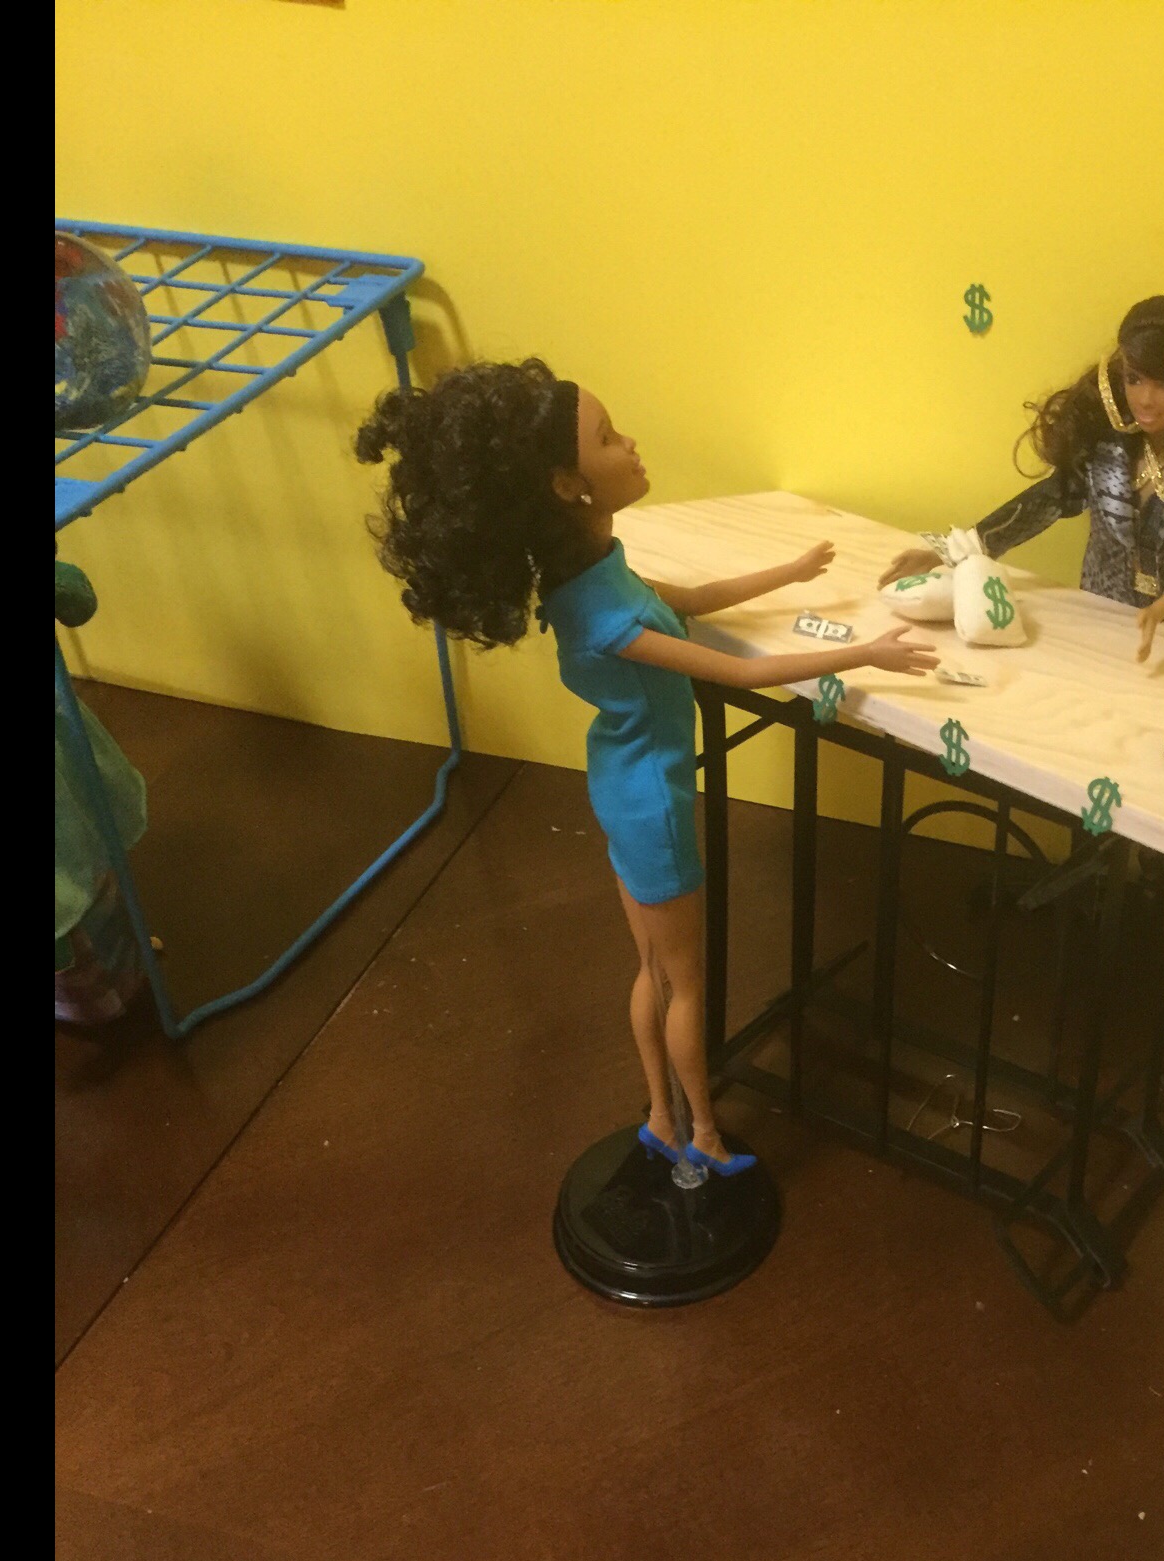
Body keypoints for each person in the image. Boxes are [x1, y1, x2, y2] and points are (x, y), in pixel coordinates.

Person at [356, 359, 936, 1175]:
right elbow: (735, 672)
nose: (629, 445)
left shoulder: (586, 576)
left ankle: (662, 1118)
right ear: (567, 485)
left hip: (621, 781)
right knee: (685, 983)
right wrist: (866, 654)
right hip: (653, 804)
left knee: (655, 971)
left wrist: (791, 572)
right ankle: (702, 1134)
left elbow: (687, 601)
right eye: (607, 438)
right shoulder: (607, 614)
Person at [880, 294, 1164, 657]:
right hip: (1099, 615)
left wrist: (1163, 608)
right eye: (1134, 379)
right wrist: (949, 552)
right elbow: (1044, 503)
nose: (1146, 400)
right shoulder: (1106, 447)